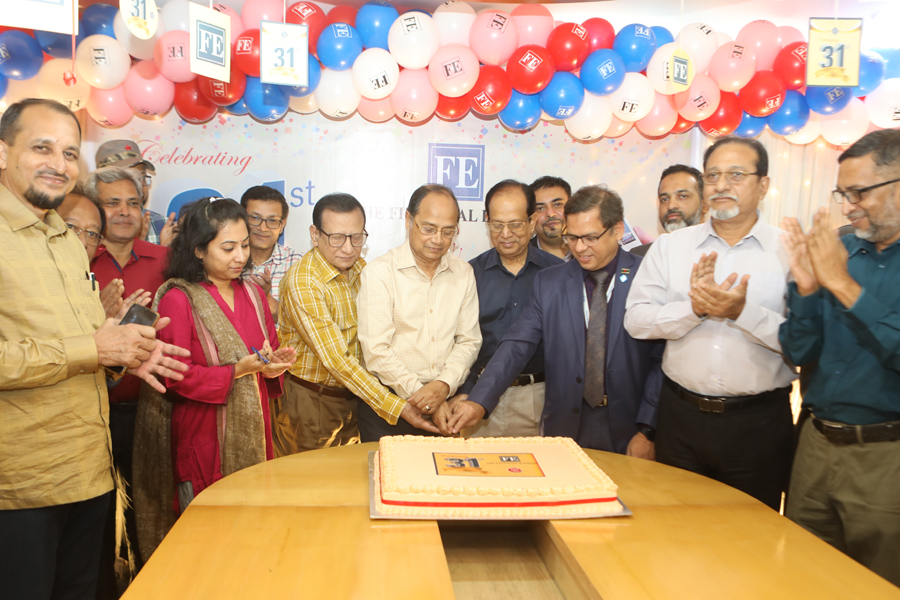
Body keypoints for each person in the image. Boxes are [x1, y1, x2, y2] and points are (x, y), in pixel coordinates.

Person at [0, 98, 189, 600]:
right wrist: (95, 347)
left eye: (68, 152)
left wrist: (127, 350)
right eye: (42, 148)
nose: (58, 164)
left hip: (90, 471)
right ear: (2, 152)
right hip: (23, 486)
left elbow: (93, 342)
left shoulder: (64, 237)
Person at [624, 137, 795, 511]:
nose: (721, 185)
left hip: (758, 425)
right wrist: (695, 309)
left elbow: (805, 341)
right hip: (680, 420)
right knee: (675, 533)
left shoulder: (790, 251)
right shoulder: (671, 248)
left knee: (752, 537)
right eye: (713, 175)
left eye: (736, 175)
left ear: (763, 185)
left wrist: (740, 313)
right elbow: (636, 321)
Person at [133, 197, 295, 561]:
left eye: (244, 246)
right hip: (203, 434)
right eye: (228, 248)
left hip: (255, 430)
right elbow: (175, 377)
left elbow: (266, 351)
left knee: (252, 537)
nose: (240, 256)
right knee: (207, 543)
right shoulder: (178, 299)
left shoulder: (254, 294)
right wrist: (236, 371)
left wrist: (273, 365)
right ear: (198, 251)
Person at [449, 186, 662, 456]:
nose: (580, 248)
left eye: (590, 237)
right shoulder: (552, 281)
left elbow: (661, 359)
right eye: (571, 238)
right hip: (566, 426)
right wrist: (479, 400)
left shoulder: (647, 276)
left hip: (629, 426)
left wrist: (648, 429)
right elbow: (517, 344)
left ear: (618, 230)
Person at [780, 129, 900, 586]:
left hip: (884, 457)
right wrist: (809, 292)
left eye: (859, 193)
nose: (848, 207)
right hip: (815, 445)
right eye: (842, 193)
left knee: (877, 581)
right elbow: (797, 351)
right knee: (805, 575)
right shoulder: (839, 249)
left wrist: (845, 287)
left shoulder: (839, 266)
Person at [276, 193, 438, 454]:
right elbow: (337, 360)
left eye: (356, 237)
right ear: (315, 234)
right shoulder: (303, 281)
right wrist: (399, 407)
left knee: (353, 485)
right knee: (311, 488)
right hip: (313, 403)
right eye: (337, 238)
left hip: (358, 398)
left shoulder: (363, 268)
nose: (349, 248)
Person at [357, 184, 481, 438]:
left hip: (446, 406)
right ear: (408, 219)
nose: (437, 240)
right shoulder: (380, 272)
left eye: (448, 232)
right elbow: (376, 351)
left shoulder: (464, 273)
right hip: (391, 408)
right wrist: (425, 397)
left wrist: (443, 386)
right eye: (428, 229)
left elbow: (469, 340)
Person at [455, 180, 562, 437]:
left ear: (531, 221)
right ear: (487, 221)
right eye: (497, 225)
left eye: (514, 224)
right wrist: (467, 391)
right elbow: (459, 341)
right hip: (477, 398)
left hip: (539, 397)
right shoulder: (468, 274)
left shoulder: (556, 274)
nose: (505, 234)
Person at [96, 139, 176, 246]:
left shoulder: (165, 226)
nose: (137, 185)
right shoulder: (88, 226)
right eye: (128, 178)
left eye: (141, 177)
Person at [239, 185, 303, 319]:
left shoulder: (298, 264)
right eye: (255, 218)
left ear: (282, 225)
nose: (263, 228)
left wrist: (266, 298)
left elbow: (304, 322)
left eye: (272, 221)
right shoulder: (227, 262)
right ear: (242, 219)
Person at [632, 164, 706, 257]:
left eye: (683, 196)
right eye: (665, 199)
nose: (671, 206)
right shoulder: (640, 256)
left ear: (705, 205)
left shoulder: (720, 253)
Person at [528, 176, 572, 260]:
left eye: (557, 205)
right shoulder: (521, 258)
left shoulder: (589, 250)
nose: (550, 213)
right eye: (540, 208)